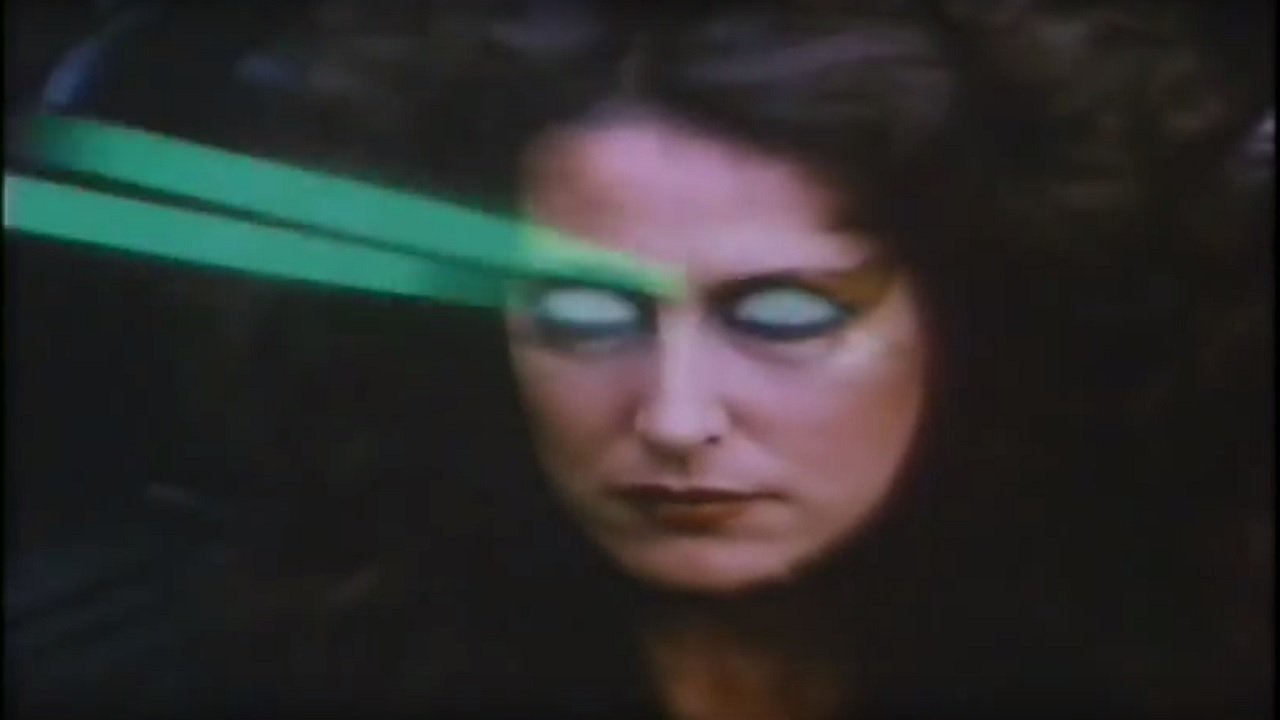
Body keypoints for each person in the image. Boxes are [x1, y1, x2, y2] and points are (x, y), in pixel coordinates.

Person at [155, 1, 1268, 718]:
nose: (676, 419)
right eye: (584, 316)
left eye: (784, 316)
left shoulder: (1189, 664)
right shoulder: (273, 669)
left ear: (974, 314)